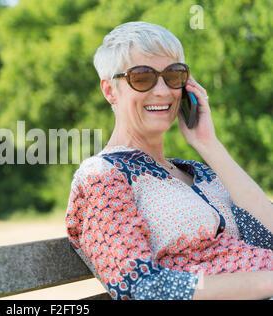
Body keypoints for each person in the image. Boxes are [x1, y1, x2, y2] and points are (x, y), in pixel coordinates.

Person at [65, 21, 273, 300]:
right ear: (110, 90)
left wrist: (209, 145)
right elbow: (141, 288)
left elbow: (268, 234)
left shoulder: (201, 172)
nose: (163, 91)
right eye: (142, 77)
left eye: (174, 76)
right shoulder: (102, 176)